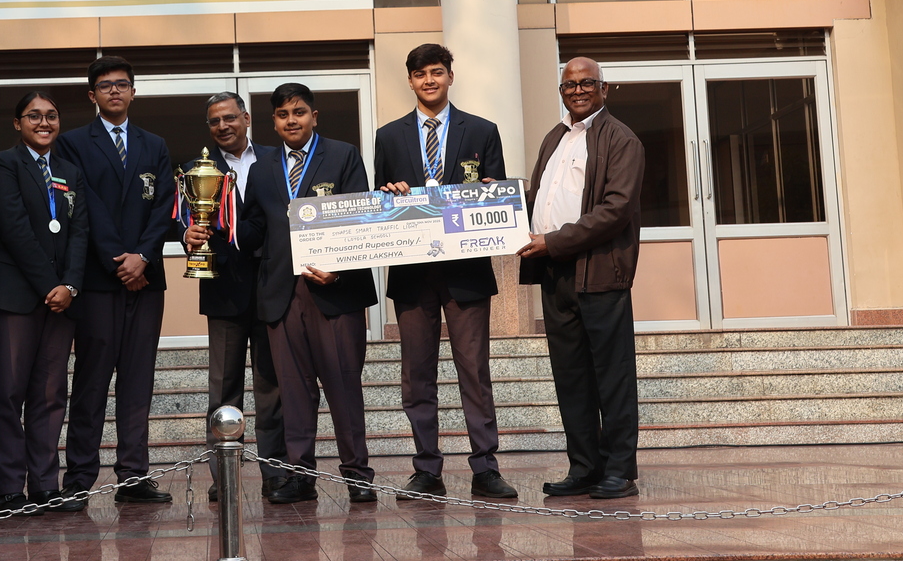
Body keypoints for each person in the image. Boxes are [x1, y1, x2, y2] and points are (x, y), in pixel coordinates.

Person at [188, 83, 378, 504]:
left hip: (333, 291)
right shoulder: (265, 169)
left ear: (314, 116)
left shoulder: (343, 155)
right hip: (281, 294)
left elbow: (360, 217)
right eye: (283, 114)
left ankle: (358, 475)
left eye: (299, 112)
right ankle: (299, 476)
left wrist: (339, 269)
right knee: (292, 392)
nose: (291, 120)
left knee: (343, 388)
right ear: (272, 122)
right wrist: (213, 223)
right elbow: (254, 230)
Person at [374, 43, 517, 500]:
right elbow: (380, 202)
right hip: (412, 274)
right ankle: (426, 469)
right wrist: (389, 193)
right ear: (410, 81)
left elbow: (496, 193)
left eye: (437, 72)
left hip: (466, 272)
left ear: (450, 76)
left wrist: (494, 192)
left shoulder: (482, 130)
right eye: (420, 74)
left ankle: (485, 468)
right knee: (417, 375)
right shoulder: (388, 136)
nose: (429, 80)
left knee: (474, 371)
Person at [518, 57, 646, 500]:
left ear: (603, 88)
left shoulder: (620, 139)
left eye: (587, 83)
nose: (577, 91)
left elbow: (615, 209)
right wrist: (499, 200)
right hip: (555, 274)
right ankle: (585, 467)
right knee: (571, 377)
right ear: (562, 91)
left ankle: (619, 471)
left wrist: (553, 241)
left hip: (600, 273)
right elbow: (542, 197)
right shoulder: (555, 137)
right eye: (569, 85)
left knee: (612, 376)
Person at [56, 56, 175, 507]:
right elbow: (82, 206)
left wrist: (143, 257)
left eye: (122, 84)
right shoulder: (71, 143)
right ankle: (79, 478)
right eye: (105, 86)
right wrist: (119, 263)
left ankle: (133, 476)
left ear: (133, 91)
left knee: (138, 382)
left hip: (147, 281)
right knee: (91, 382)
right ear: (92, 95)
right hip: (98, 281)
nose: (114, 91)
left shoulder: (154, 144)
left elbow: (164, 204)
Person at [0, 89, 89, 514]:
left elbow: (80, 232)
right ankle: (10, 487)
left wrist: (71, 286)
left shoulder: (70, 171)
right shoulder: (2, 165)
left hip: (61, 303)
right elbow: (14, 230)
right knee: (9, 395)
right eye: (33, 116)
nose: (44, 123)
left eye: (51, 115)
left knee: (50, 394)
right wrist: (51, 286)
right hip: (17, 299)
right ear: (17, 123)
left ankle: (45, 484)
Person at [186, 92, 286, 501]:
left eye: (229, 118)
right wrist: (187, 233)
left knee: (272, 390)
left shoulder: (276, 158)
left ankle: (276, 474)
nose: (223, 126)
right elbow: (182, 217)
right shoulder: (196, 170)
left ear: (246, 118)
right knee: (223, 392)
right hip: (223, 291)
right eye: (214, 121)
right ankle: (222, 477)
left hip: (271, 288)